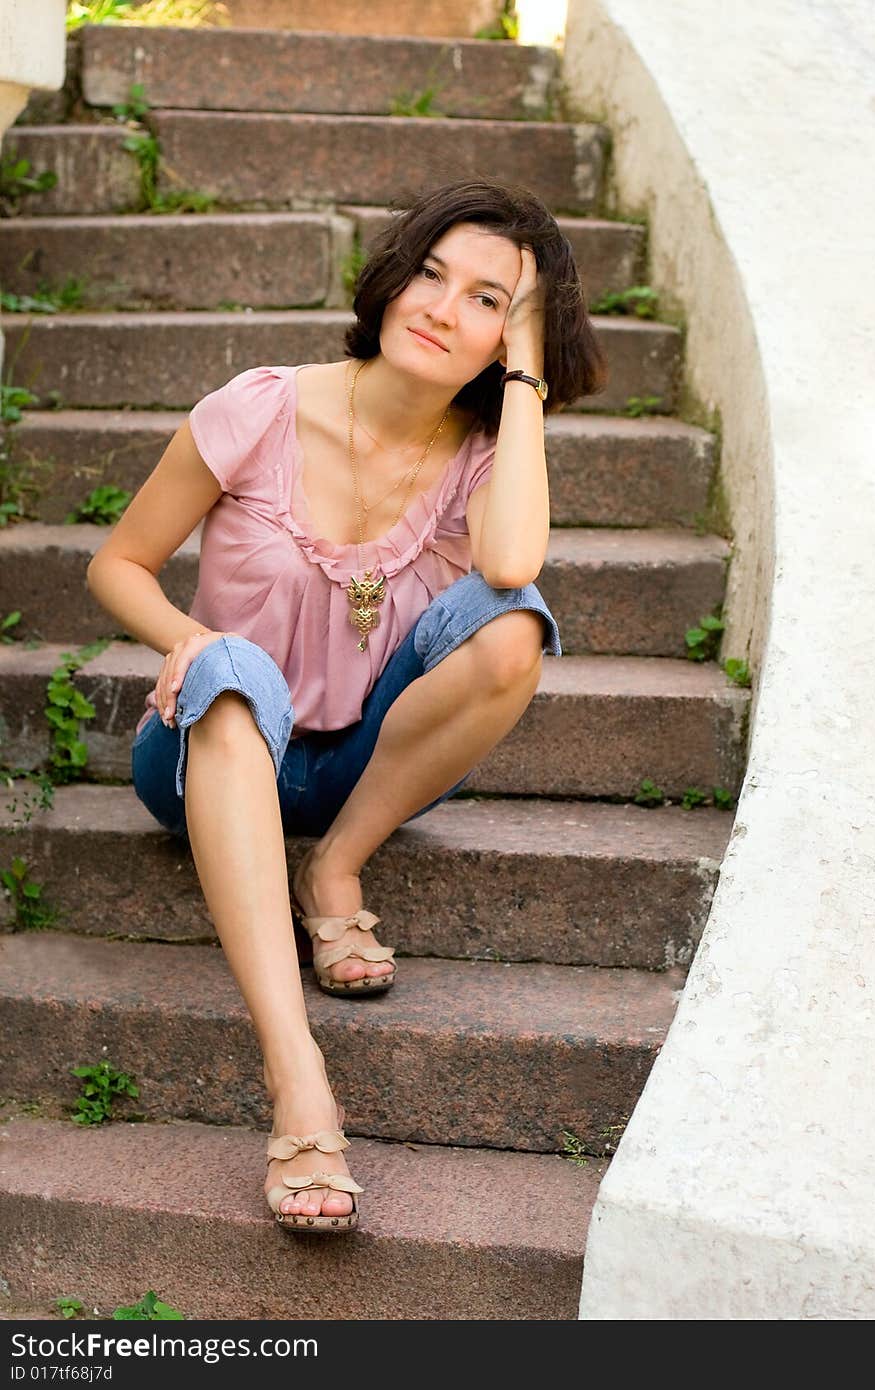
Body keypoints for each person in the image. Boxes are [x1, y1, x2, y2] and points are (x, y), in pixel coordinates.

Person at [86, 178, 608, 1235]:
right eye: (428, 272)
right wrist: (189, 639)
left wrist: (527, 380)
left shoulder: (481, 458)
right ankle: (300, 1076)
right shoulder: (261, 407)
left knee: (512, 623)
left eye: (483, 301)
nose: (437, 305)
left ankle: (333, 863)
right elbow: (119, 563)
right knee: (236, 672)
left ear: (510, 343)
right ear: (388, 278)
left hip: (362, 763)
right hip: (210, 744)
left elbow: (509, 563)